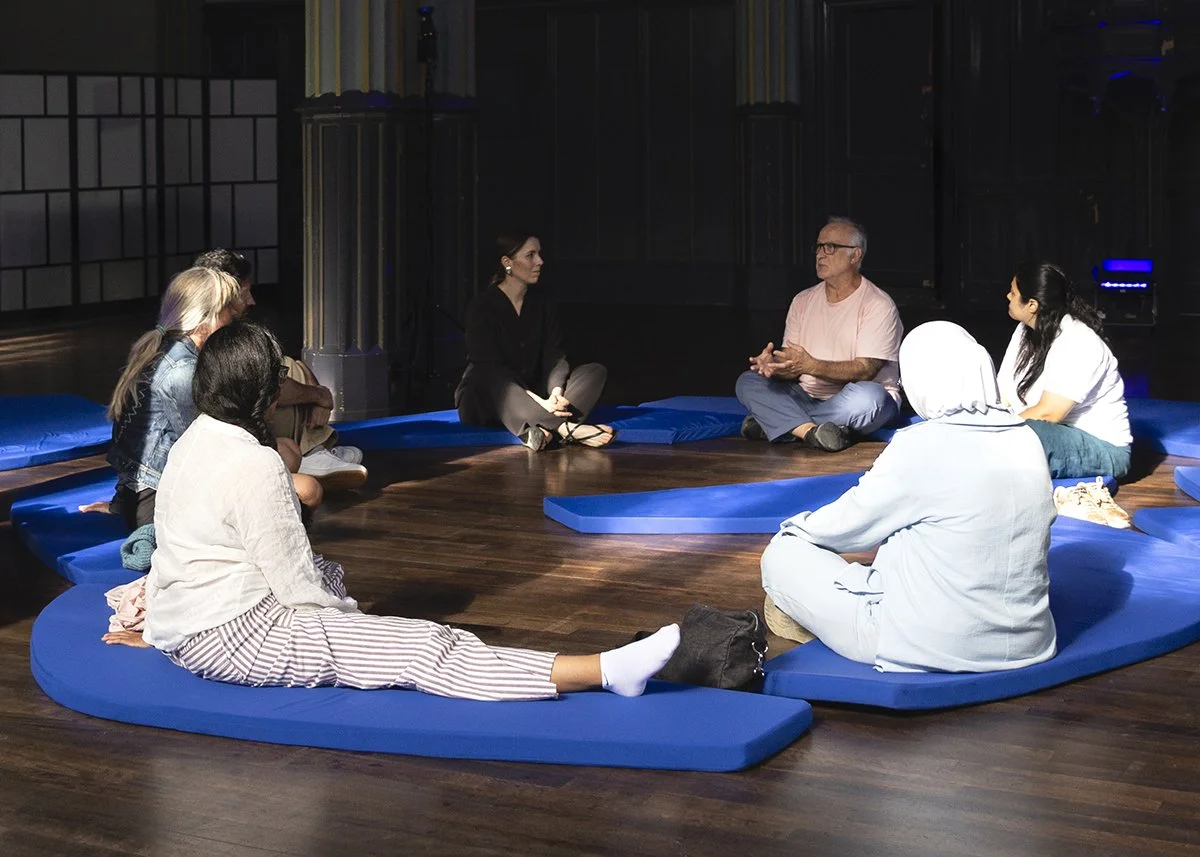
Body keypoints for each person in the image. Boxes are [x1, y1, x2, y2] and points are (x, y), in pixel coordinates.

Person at [103, 320, 681, 703]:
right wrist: (353, 631)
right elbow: (295, 584)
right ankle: (605, 671)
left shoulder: (195, 440)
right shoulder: (254, 464)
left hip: (190, 624)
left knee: (330, 574)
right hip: (233, 635)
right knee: (423, 645)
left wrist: (162, 629)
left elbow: (177, 551)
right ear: (263, 391)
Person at [760, 321, 1058, 673]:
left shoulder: (921, 444)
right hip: (1031, 642)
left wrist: (796, 530)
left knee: (782, 552)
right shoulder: (1027, 439)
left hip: (922, 644)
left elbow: (847, 527)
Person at [193, 249, 367, 490]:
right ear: (224, 294)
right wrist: (320, 395)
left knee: (290, 367)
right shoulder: (208, 337)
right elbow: (263, 383)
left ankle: (314, 449)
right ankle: (310, 452)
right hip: (221, 447)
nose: (251, 301)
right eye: (244, 293)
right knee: (305, 484)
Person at [736, 217, 903, 452]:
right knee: (748, 381)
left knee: (871, 399)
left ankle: (779, 424)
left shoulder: (878, 304)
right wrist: (774, 367)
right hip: (805, 396)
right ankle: (810, 432)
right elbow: (793, 366)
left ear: (855, 255)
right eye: (818, 247)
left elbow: (865, 370)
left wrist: (810, 365)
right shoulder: (802, 300)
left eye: (830, 247)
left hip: (854, 398)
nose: (820, 254)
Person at [455, 231, 614, 451]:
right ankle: (566, 429)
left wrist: (555, 393)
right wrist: (540, 403)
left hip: (537, 392)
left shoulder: (542, 303)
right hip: (490, 396)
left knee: (594, 371)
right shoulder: (481, 307)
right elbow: (489, 366)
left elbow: (554, 355)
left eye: (539, 254)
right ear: (507, 262)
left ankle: (540, 431)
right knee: (490, 376)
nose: (539, 261)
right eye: (530, 255)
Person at [996, 261, 1131, 480]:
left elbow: (1049, 414)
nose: (1007, 296)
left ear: (1032, 305)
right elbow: (1002, 393)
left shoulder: (1079, 341)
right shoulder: (1024, 331)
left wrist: (992, 431)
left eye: (1013, 292)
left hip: (1101, 446)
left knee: (1027, 436)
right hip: (1038, 428)